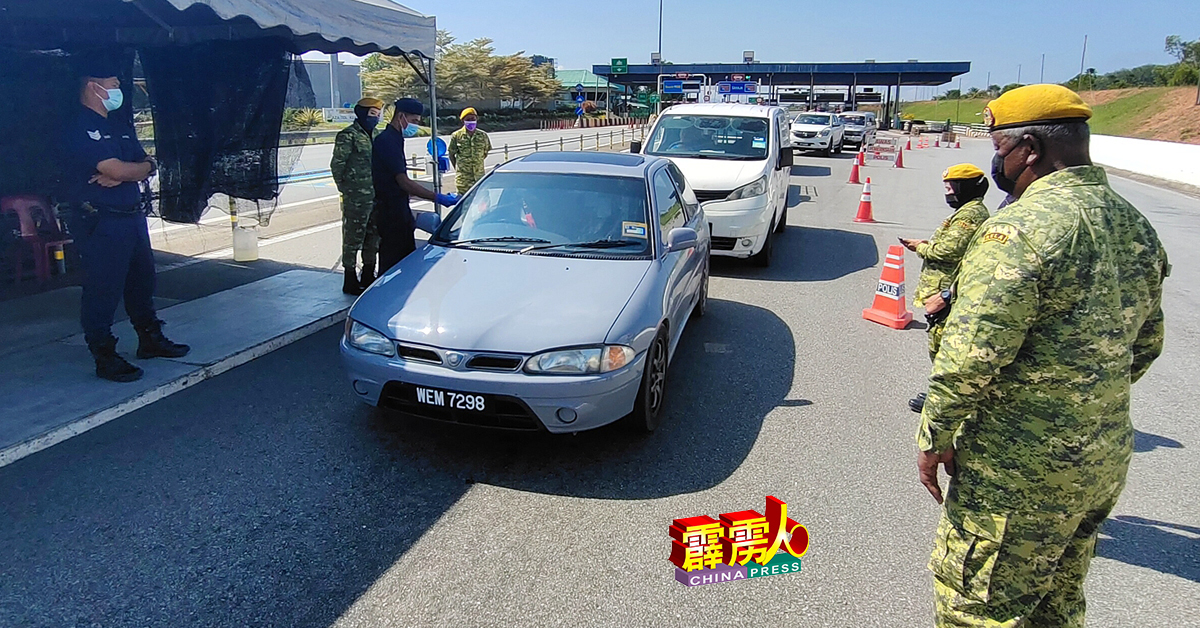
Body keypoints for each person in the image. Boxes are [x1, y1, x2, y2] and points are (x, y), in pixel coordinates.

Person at [916, 84, 1169, 627]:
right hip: (1099, 460)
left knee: (979, 608)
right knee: (1056, 603)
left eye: (998, 145)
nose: (995, 160)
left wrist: (935, 437)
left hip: (1017, 471)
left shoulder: (1020, 230)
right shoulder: (1134, 225)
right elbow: (1144, 346)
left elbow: (969, 358)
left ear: (1028, 148)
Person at [63, 60, 189, 383]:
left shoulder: (118, 125)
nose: (118, 89)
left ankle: (150, 338)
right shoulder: (81, 126)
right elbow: (116, 170)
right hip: (101, 222)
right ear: (93, 87)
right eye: (113, 84)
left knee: (142, 283)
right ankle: (104, 354)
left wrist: (133, 171)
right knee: (103, 289)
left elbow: (146, 161)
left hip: (132, 218)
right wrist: (126, 173)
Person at [900, 164, 991, 413]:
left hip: (947, 292)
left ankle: (941, 400)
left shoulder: (970, 215)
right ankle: (940, 394)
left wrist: (921, 248)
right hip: (943, 291)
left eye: (952, 187)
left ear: (966, 188)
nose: (948, 192)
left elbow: (948, 251)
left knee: (943, 348)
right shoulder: (966, 212)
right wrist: (926, 243)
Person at [372, 98, 458, 273]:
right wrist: (437, 197)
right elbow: (403, 181)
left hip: (398, 209)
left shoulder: (395, 138)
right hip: (390, 212)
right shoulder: (387, 141)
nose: (416, 126)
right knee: (393, 264)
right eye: (414, 121)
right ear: (401, 116)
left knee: (404, 259)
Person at [331, 97, 384, 295]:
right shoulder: (348, 136)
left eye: (378, 115)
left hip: (375, 195)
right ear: (361, 114)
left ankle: (369, 273)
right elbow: (337, 165)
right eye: (372, 114)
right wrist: (346, 189)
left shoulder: (376, 135)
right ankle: (350, 276)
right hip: (356, 196)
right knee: (353, 237)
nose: (375, 118)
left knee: (373, 236)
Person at [446, 107, 491, 195]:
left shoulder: (483, 135)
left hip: (479, 179)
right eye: (468, 119)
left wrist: (476, 162)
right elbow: (451, 154)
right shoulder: (456, 136)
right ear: (463, 121)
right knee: (464, 206)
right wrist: (459, 168)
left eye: (473, 119)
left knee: (482, 204)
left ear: (477, 119)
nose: (471, 121)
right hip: (463, 181)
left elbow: (485, 152)